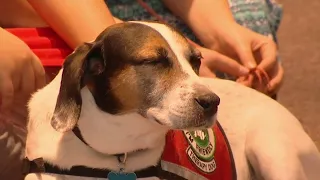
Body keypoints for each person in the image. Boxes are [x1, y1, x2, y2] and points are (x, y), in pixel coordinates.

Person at [0, 0, 283, 179]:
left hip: (122, 23)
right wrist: (123, 39)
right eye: (154, 61)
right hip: (51, 40)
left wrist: (221, 30)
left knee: (252, 15)